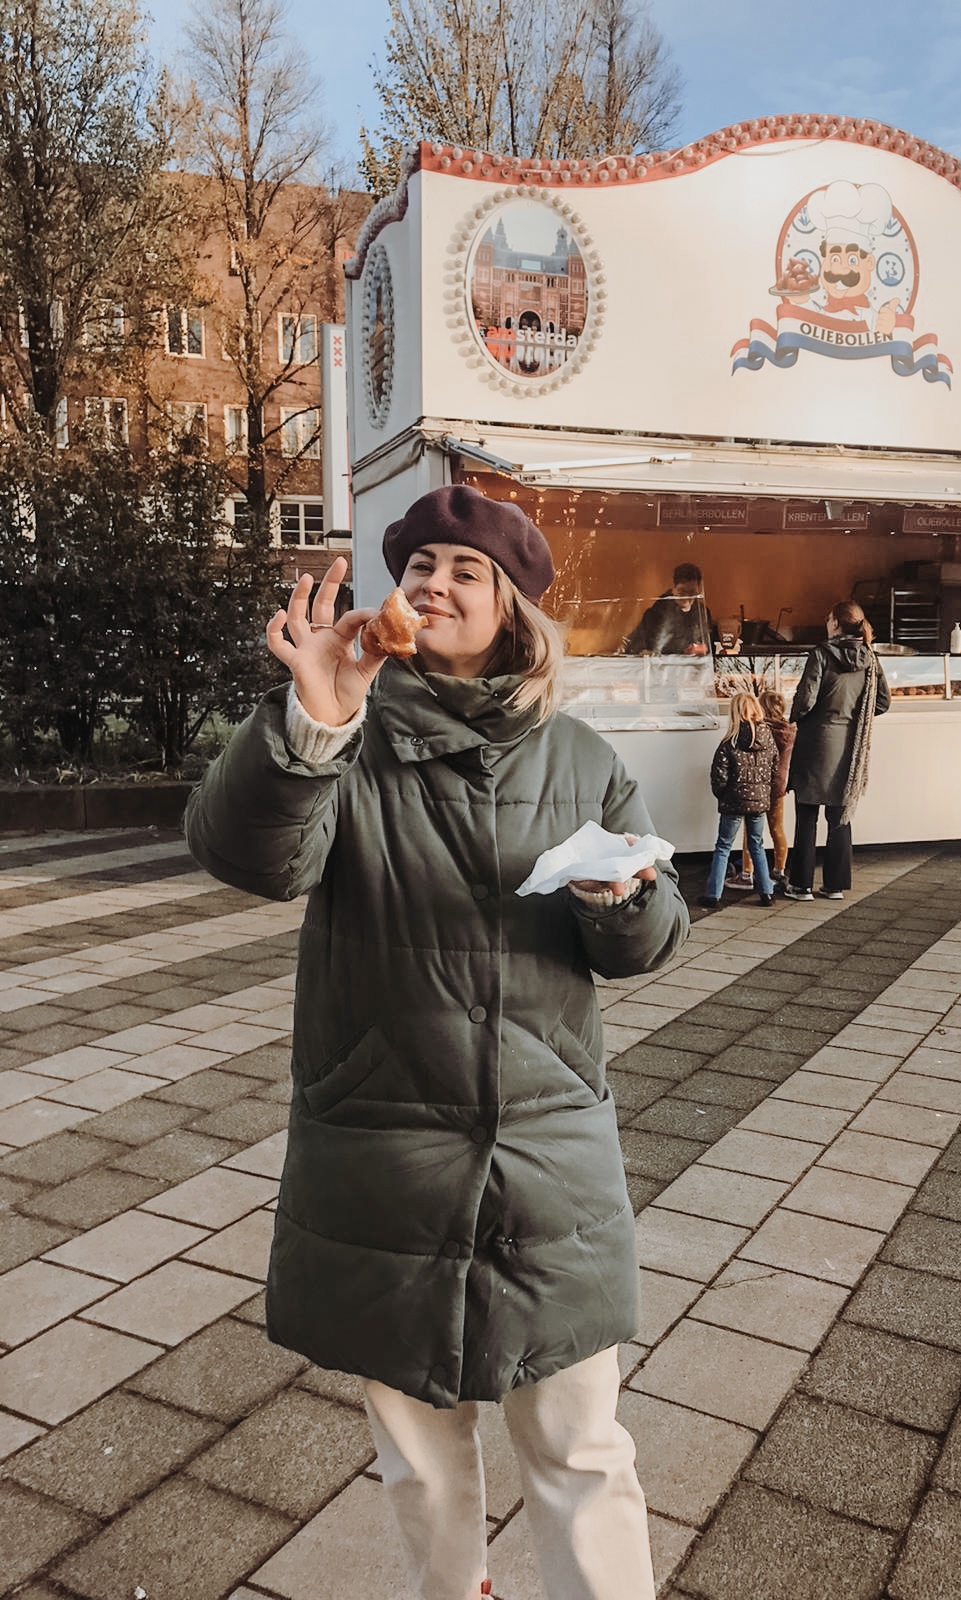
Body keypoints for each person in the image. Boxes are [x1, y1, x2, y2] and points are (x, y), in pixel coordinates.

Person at [184, 483, 689, 1600]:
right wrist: (313, 719)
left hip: (547, 1158)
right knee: (419, 1462)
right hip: (385, 1148)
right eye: (418, 567)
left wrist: (624, 897)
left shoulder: (580, 756)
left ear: (512, 609)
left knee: (581, 1448)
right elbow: (249, 856)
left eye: (465, 571)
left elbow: (650, 942)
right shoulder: (346, 734)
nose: (433, 584)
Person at [779, 600, 890, 902]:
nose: (826, 623)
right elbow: (882, 702)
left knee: (807, 815)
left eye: (829, 618)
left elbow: (805, 700)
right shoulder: (870, 657)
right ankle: (835, 885)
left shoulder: (821, 654)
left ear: (837, 624)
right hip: (849, 747)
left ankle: (801, 885)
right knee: (840, 816)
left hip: (816, 742)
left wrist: (795, 719)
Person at [699, 690, 778, 908]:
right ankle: (766, 892)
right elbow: (774, 769)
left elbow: (719, 775)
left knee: (724, 846)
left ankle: (713, 894)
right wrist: (764, 793)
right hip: (759, 803)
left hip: (733, 802)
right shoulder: (768, 739)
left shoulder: (729, 742)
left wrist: (722, 794)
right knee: (757, 845)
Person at [736, 688, 797, 885]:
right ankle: (779, 870)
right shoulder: (790, 730)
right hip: (779, 786)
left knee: (752, 831)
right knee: (777, 828)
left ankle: (747, 873)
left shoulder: (759, 729)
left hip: (759, 785)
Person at [623, 561, 712, 655]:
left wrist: (701, 648)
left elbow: (709, 646)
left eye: (692, 592)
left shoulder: (702, 613)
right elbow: (635, 646)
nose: (686, 598)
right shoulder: (656, 613)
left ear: (698, 591)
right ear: (673, 588)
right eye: (682, 592)